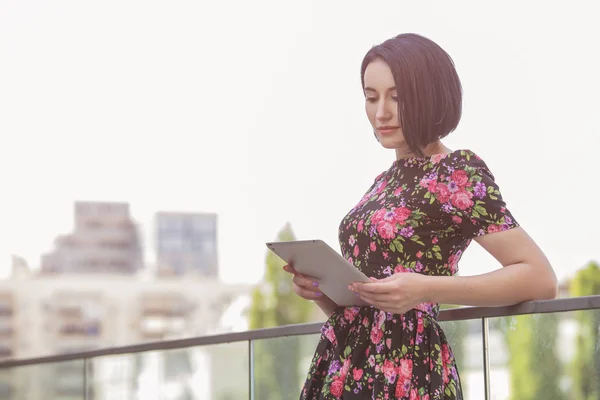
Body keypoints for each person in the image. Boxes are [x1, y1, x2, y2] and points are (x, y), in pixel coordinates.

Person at [283, 33, 558, 399]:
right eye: (371, 97)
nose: (381, 112)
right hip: (344, 362)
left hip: (407, 367)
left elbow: (540, 278)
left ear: (428, 95)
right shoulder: (383, 183)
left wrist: (425, 288)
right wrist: (320, 291)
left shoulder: (455, 172)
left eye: (397, 97)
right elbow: (369, 303)